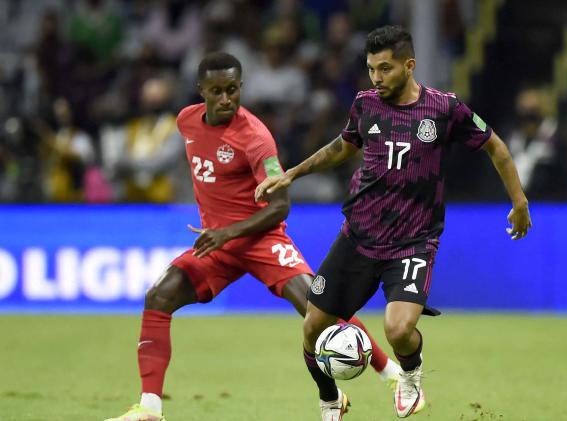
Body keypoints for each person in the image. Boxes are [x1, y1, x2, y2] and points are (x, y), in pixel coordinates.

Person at [256, 26, 532, 419]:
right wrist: (292, 173)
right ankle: (330, 397)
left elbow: (496, 147)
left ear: (409, 65)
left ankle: (411, 375)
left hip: (413, 241)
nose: (376, 78)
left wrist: (519, 201)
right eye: (371, 69)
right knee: (312, 328)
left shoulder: (444, 108)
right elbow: (341, 146)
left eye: (385, 69)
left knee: (399, 330)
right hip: (358, 235)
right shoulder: (365, 104)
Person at [105, 52, 400, 421]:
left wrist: (226, 231)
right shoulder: (185, 122)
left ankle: (393, 375)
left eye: (232, 89)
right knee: (158, 296)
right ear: (201, 92)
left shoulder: (256, 138)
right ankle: (150, 407)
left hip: (260, 241)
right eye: (217, 91)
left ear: (241, 87)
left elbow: (280, 206)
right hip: (218, 245)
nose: (226, 98)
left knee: (319, 309)